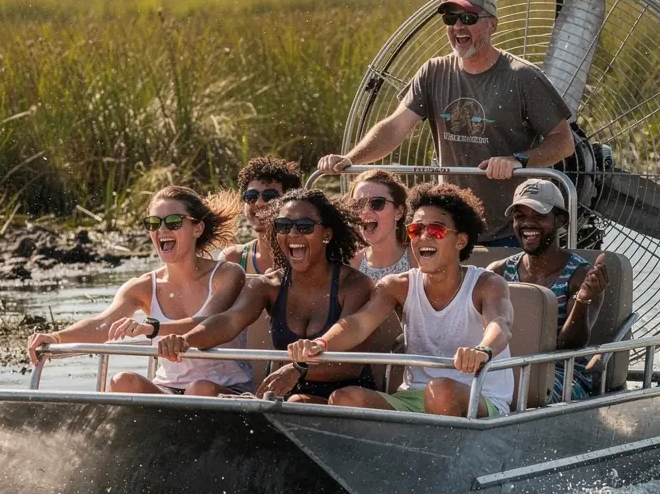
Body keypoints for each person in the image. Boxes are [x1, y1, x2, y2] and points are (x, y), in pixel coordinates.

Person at [317, 0, 575, 246]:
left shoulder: (523, 77)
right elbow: (395, 127)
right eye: (451, 19)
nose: (458, 27)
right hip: (451, 230)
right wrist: (349, 158)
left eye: (468, 18)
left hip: (512, 231)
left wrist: (517, 160)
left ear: (492, 25)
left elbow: (563, 142)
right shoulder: (434, 72)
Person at [289, 184, 514, 418]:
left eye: (436, 230)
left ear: (460, 241)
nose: (423, 237)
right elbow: (358, 324)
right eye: (416, 230)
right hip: (413, 397)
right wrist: (321, 344)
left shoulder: (487, 284)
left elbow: (500, 324)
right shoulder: (396, 286)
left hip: (479, 395)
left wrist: (481, 350)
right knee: (343, 398)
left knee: (440, 390)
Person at [26, 186, 253, 397]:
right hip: (169, 391)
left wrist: (151, 328)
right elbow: (102, 324)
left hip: (226, 390)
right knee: (122, 381)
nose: (162, 229)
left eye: (173, 222)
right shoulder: (142, 286)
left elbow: (206, 322)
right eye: (154, 223)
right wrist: (56, 337)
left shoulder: (227, 274)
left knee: (199, 388)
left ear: (197, 228)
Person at [157, 189, 376, 402]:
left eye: (304, 226)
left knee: (298, 401)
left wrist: (298, 370)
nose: (293, 234)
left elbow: (351, 364)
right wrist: (186, 340)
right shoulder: (268, 285)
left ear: (327, 233)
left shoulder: (355, 285)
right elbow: (228, 321)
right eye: (283, 226)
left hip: (344, 397)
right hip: (284, 397)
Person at [488, 179, 609, 401]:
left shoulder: (581, 275)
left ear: (560, 220)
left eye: (538, 216)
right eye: (520, 217)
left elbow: (571, 345)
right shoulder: (498, 271)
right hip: (506, 367)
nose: (527, 224)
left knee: (515, 389)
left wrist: (583, 299)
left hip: (564, 374)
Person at [221, 156, 303, 275]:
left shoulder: (304, 255)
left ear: (290, 201)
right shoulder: (233, 259)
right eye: (251, 196)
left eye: (270, 196)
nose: (259, 203)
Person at [348, 169, 411, 280]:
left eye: (377, 203)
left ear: (399, 211)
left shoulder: (418, 261)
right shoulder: (350, 265)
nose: (365, 211)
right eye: (357, 204)